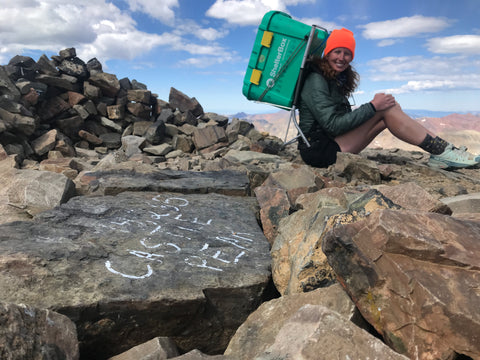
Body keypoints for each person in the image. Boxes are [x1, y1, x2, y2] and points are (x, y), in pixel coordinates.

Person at [298, 27, 480, 169]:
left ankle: (443, 151)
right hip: (319, 151)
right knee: (385, 109)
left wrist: (375, 107)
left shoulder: (333, 78)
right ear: (327, 53)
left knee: (389, 108)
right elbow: (333, 124)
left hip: (331, 140)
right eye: (337, 51)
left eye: (347, 53)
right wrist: (372, 106)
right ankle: (442, 151)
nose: (342, 58)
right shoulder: (316, 79)